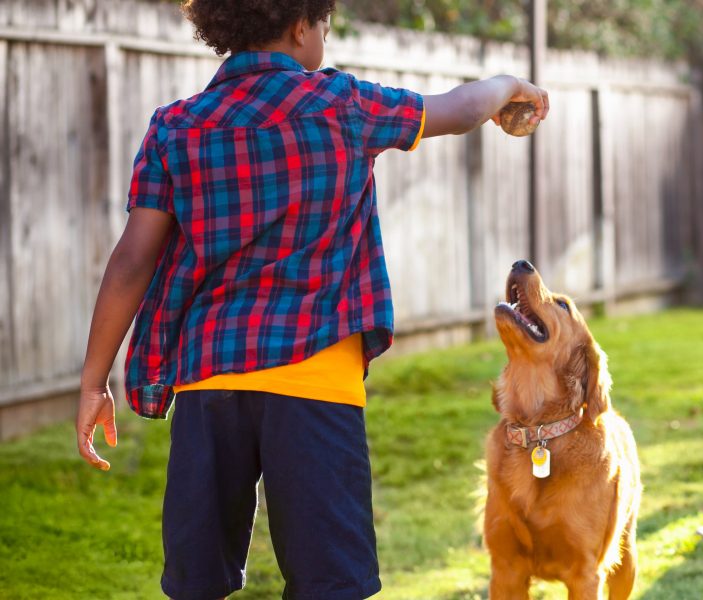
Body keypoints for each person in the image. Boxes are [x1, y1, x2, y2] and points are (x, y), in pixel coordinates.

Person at [74, 1, 548, 598]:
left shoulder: (177, 126)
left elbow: (131, 260)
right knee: (330, 583)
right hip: (315, 377)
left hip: (208, 382)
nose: (324, 36)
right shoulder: (341, 105)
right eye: (324, 25)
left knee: (196, 582)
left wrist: (95, 383)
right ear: (301, 26)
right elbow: (454, 110)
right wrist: (510, 86)